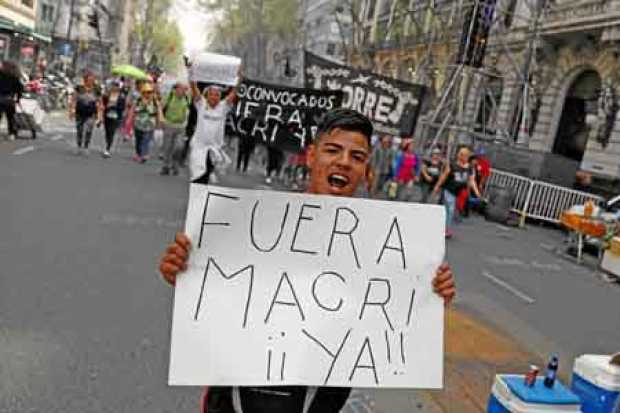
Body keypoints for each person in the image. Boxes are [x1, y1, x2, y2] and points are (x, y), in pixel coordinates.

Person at [159, 108, 456, 413]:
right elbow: (211, 289)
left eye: (357, 156)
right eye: (333, 150)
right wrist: (183, 271)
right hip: (235, 399)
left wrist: (430, 298)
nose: (344, 161)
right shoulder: (253, 222)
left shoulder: (385, 246)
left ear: (367, 170)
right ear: (311, 156)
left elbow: (397, 317)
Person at [188, 79, 239, 184]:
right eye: (211, 94)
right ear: (207, 96)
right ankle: (198, 194)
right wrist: (192, 76)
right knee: (196, 175)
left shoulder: (223, 107)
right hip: (199, 147)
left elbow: (234, 92)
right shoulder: (201, 104)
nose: (214, 97)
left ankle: (202, 193)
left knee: (204, 176)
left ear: (220, 97)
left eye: (217, 95)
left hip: (213, 149)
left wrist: (238, 79)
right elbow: (194, 88)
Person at [433, 146, 482, 238]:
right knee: (450, 209)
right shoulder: (452, 165)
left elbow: (472, 181)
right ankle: (446, 230)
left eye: (466, 155)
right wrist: (437, 186)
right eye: (462, 155)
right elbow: (444, 176)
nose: (464, 157)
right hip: (448, 189)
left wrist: (477, 192)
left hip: (457, 192)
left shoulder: (470, 168)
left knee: (448, 210)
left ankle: (441, 226)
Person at [127, 82, 163, 163]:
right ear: (142, 92)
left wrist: (160, 119)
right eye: (146, 92)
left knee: (146, 139)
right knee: (138, 140)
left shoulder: (155, 101)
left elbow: (159, 111)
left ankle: (144, 155)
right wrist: (129, 119)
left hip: (150, 124)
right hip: (138, 124)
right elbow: (132, 110)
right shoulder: (138, 101)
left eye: (149, 92)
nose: (148, 94)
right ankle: (138, 153)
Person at [69, 70, 102, 155]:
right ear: (85, 80)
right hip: (80, 112)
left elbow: (100, 103)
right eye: (88, 80)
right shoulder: (79, 88)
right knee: (79, 130)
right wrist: (72, 110)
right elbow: (73, 99)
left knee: (88, 129)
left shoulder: (96, 89)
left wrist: (100, 116)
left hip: (91, 113)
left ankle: (86, 147)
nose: (90, 82)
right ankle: (79, 146)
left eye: (92, 80)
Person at [160, 82, 190, 176]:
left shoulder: (187, 98)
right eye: (181, 89)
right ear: (176, 89)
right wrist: (161, 119)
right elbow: (160, 107)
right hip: (169, 124)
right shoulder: (169, 97)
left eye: (185, 89)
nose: (183, 91)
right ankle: (166, 166)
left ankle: (175, 164)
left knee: (179, 147)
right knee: (168, 147)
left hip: (181, 126)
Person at [100, 80, 126, 158]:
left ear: (119, 87)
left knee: (112, 132)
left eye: (116, 86)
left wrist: (113, 106)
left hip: (116, 116)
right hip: (107, 115)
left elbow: (122, 107)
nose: (115, 87)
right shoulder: (107, 95)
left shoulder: (121, 97)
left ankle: (107, 149)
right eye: (113, 85)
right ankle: (107, 145)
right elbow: (103, 104)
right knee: (107, 132)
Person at [0, 61, 23, 141]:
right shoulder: (14, 77)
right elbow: (19, 89)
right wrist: (18, 99)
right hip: (9, 99)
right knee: (10, 117)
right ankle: (12, 133)